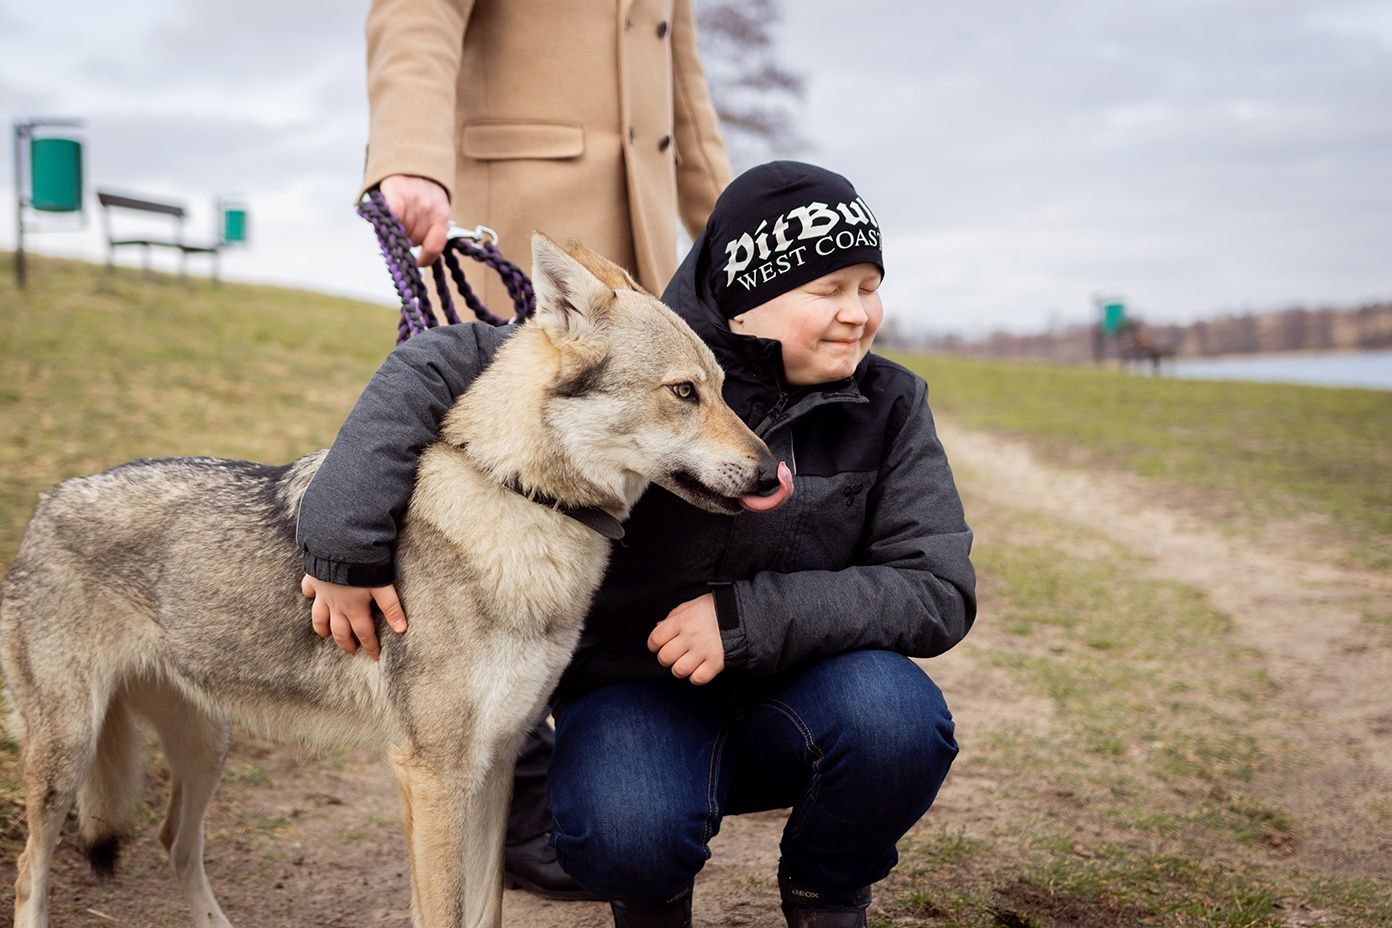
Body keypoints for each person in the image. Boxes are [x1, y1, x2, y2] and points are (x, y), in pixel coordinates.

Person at [297, 161, 976, 928]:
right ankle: (651, 902)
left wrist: (746, 618)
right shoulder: (643, 348)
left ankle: (828, 890)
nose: (860, 314)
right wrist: (340, 549)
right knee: (621, 826)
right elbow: (428, 365)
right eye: (829, 290)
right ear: (747, 296)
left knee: (900, 720)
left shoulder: (892, 402)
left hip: (807, 694)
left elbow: (938, 587)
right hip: (639, 698)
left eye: (868, 286)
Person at [361, 0, 732, 896]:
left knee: (590, 533)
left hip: (637, 262)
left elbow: (680, 83)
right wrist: (410, 155)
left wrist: (733, 245)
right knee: (479, 530)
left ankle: (596, 781)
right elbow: (418, 11)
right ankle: (516, 803)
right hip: (513, 220)